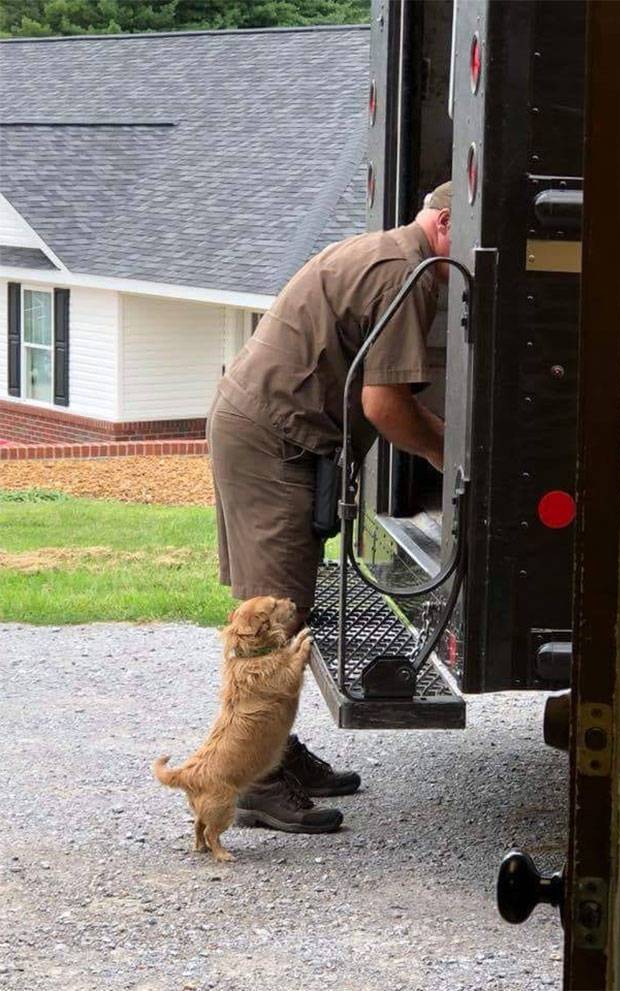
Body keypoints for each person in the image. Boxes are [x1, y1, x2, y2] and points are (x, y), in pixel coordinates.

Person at [207, 181, 453, 832]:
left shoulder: (392, 255)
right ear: (446, 225)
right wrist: (447, 456)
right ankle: (254, 781)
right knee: (269, 620)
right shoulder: (412, 272)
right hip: (271, 439)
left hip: (267, 429)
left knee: (286, 610)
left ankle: (276, 753)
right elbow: (385, 406)